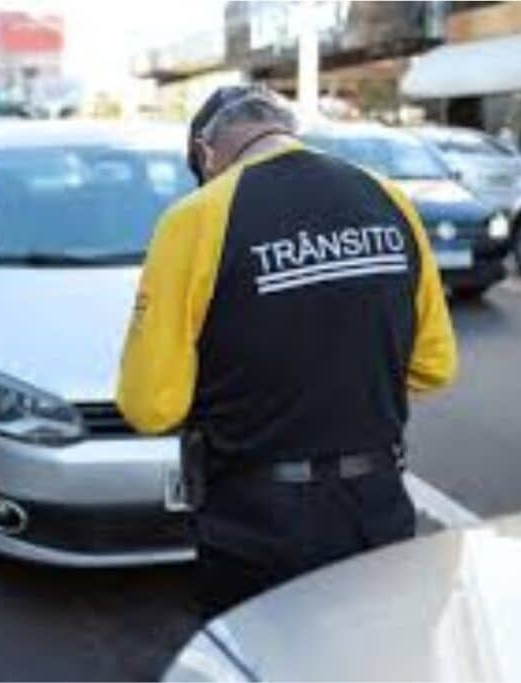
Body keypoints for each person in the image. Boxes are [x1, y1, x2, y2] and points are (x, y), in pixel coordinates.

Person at [116, 86, 458, 618]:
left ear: (207, 153)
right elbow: (435, 367)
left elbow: (150, 405)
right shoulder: (388, 198)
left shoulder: (196, 217)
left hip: (257, 527)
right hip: (377, 509)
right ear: (286, 131)